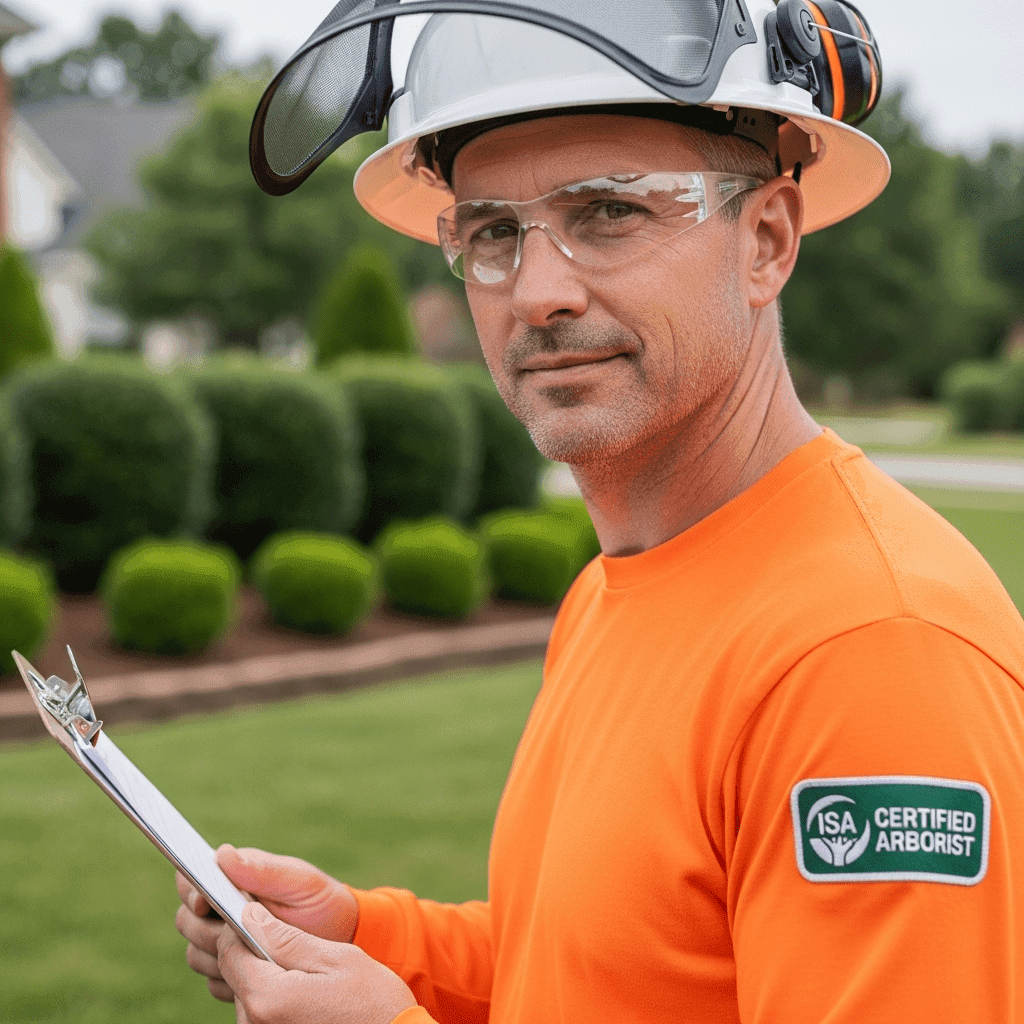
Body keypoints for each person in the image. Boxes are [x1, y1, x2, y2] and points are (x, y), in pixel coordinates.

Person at [176, 2, 1024, 1021]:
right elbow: (597, 964)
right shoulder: (613, 589)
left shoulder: (871, 654)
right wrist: (370, 937)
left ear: (765, 241)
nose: (537, 291)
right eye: (492, 231)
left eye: (609, 212)